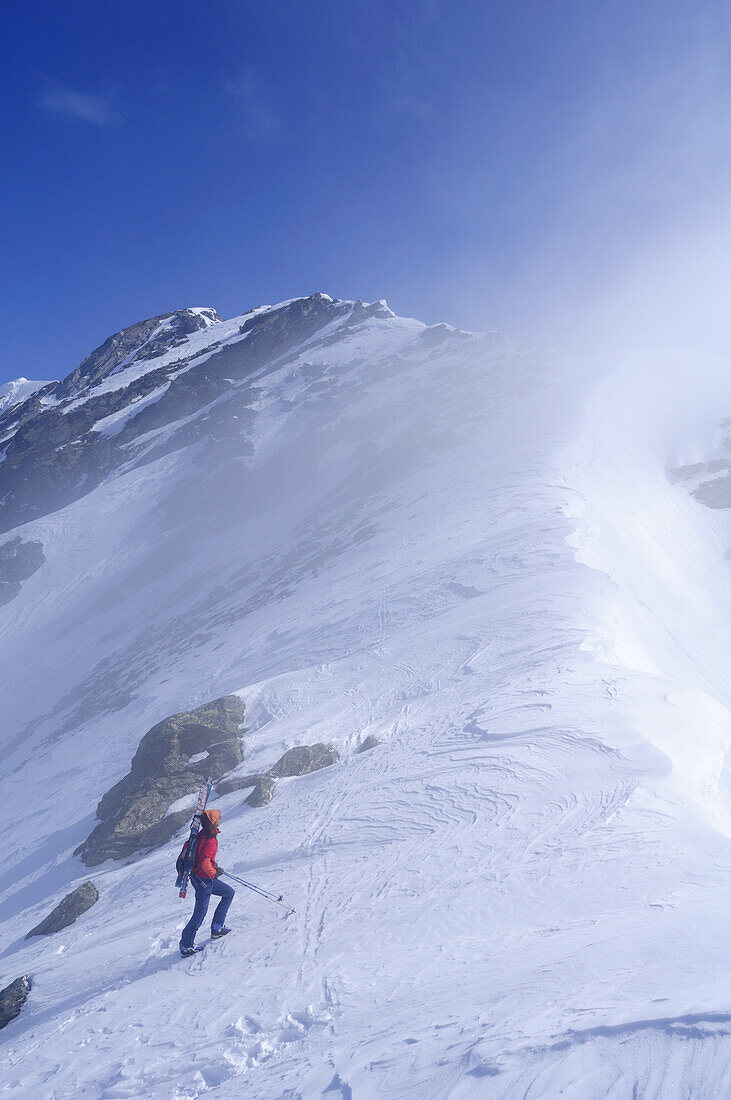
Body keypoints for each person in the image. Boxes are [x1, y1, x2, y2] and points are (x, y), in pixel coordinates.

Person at [179, 808, 235, 957]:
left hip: (201, 878)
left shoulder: (203, 834)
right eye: (218, 818)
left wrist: (214, 866)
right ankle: (186, 945)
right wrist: (214, 872)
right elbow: (204, 862)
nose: (220, 820)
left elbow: (204, 859)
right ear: (214, 822)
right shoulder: (209, 839)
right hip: (203, 879)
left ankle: (217, 927)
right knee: (200, 913)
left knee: (229, 893)